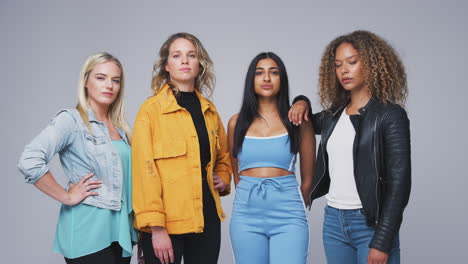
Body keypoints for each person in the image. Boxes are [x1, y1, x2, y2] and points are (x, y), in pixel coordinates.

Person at [289, 30, 411, 264]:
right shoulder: (334, 115)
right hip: (334, 222)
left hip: (371, 225)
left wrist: (383, 240)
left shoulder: (390, 116)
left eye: (352, 62)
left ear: (372, 64)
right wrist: (300, 100)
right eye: (337, 65)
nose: (344, 70)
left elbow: (400, 184)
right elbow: (304, 120)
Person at [17, 52, 137, 263]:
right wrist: (67, 196)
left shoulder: (122, 129)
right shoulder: (71, 121)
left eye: (115, 80)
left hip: (120, 234)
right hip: (87, 233)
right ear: (85, 82)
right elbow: (29, 160)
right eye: (100, 78)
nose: (109, 85)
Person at [131, 32, 232, 264]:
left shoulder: (210, 111)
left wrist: (224, 177)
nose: (184, 61)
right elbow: (144, 173)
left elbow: (223, 157)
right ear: (166, 65)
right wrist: (156, 229)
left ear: (200, 65)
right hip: (166, 227)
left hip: (207, 222)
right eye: (177, 55)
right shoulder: (151, 111)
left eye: (191, 55)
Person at [228, 52, 315, 264]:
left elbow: (308, 181)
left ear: (281, 79)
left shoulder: (298, 122)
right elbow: (236, 170)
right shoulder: (235, 123)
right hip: (246, 215)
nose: (266, 78)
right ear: (252, 80)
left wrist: (293, 203)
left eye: (274, 72)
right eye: (260, 73)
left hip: (288, 214)